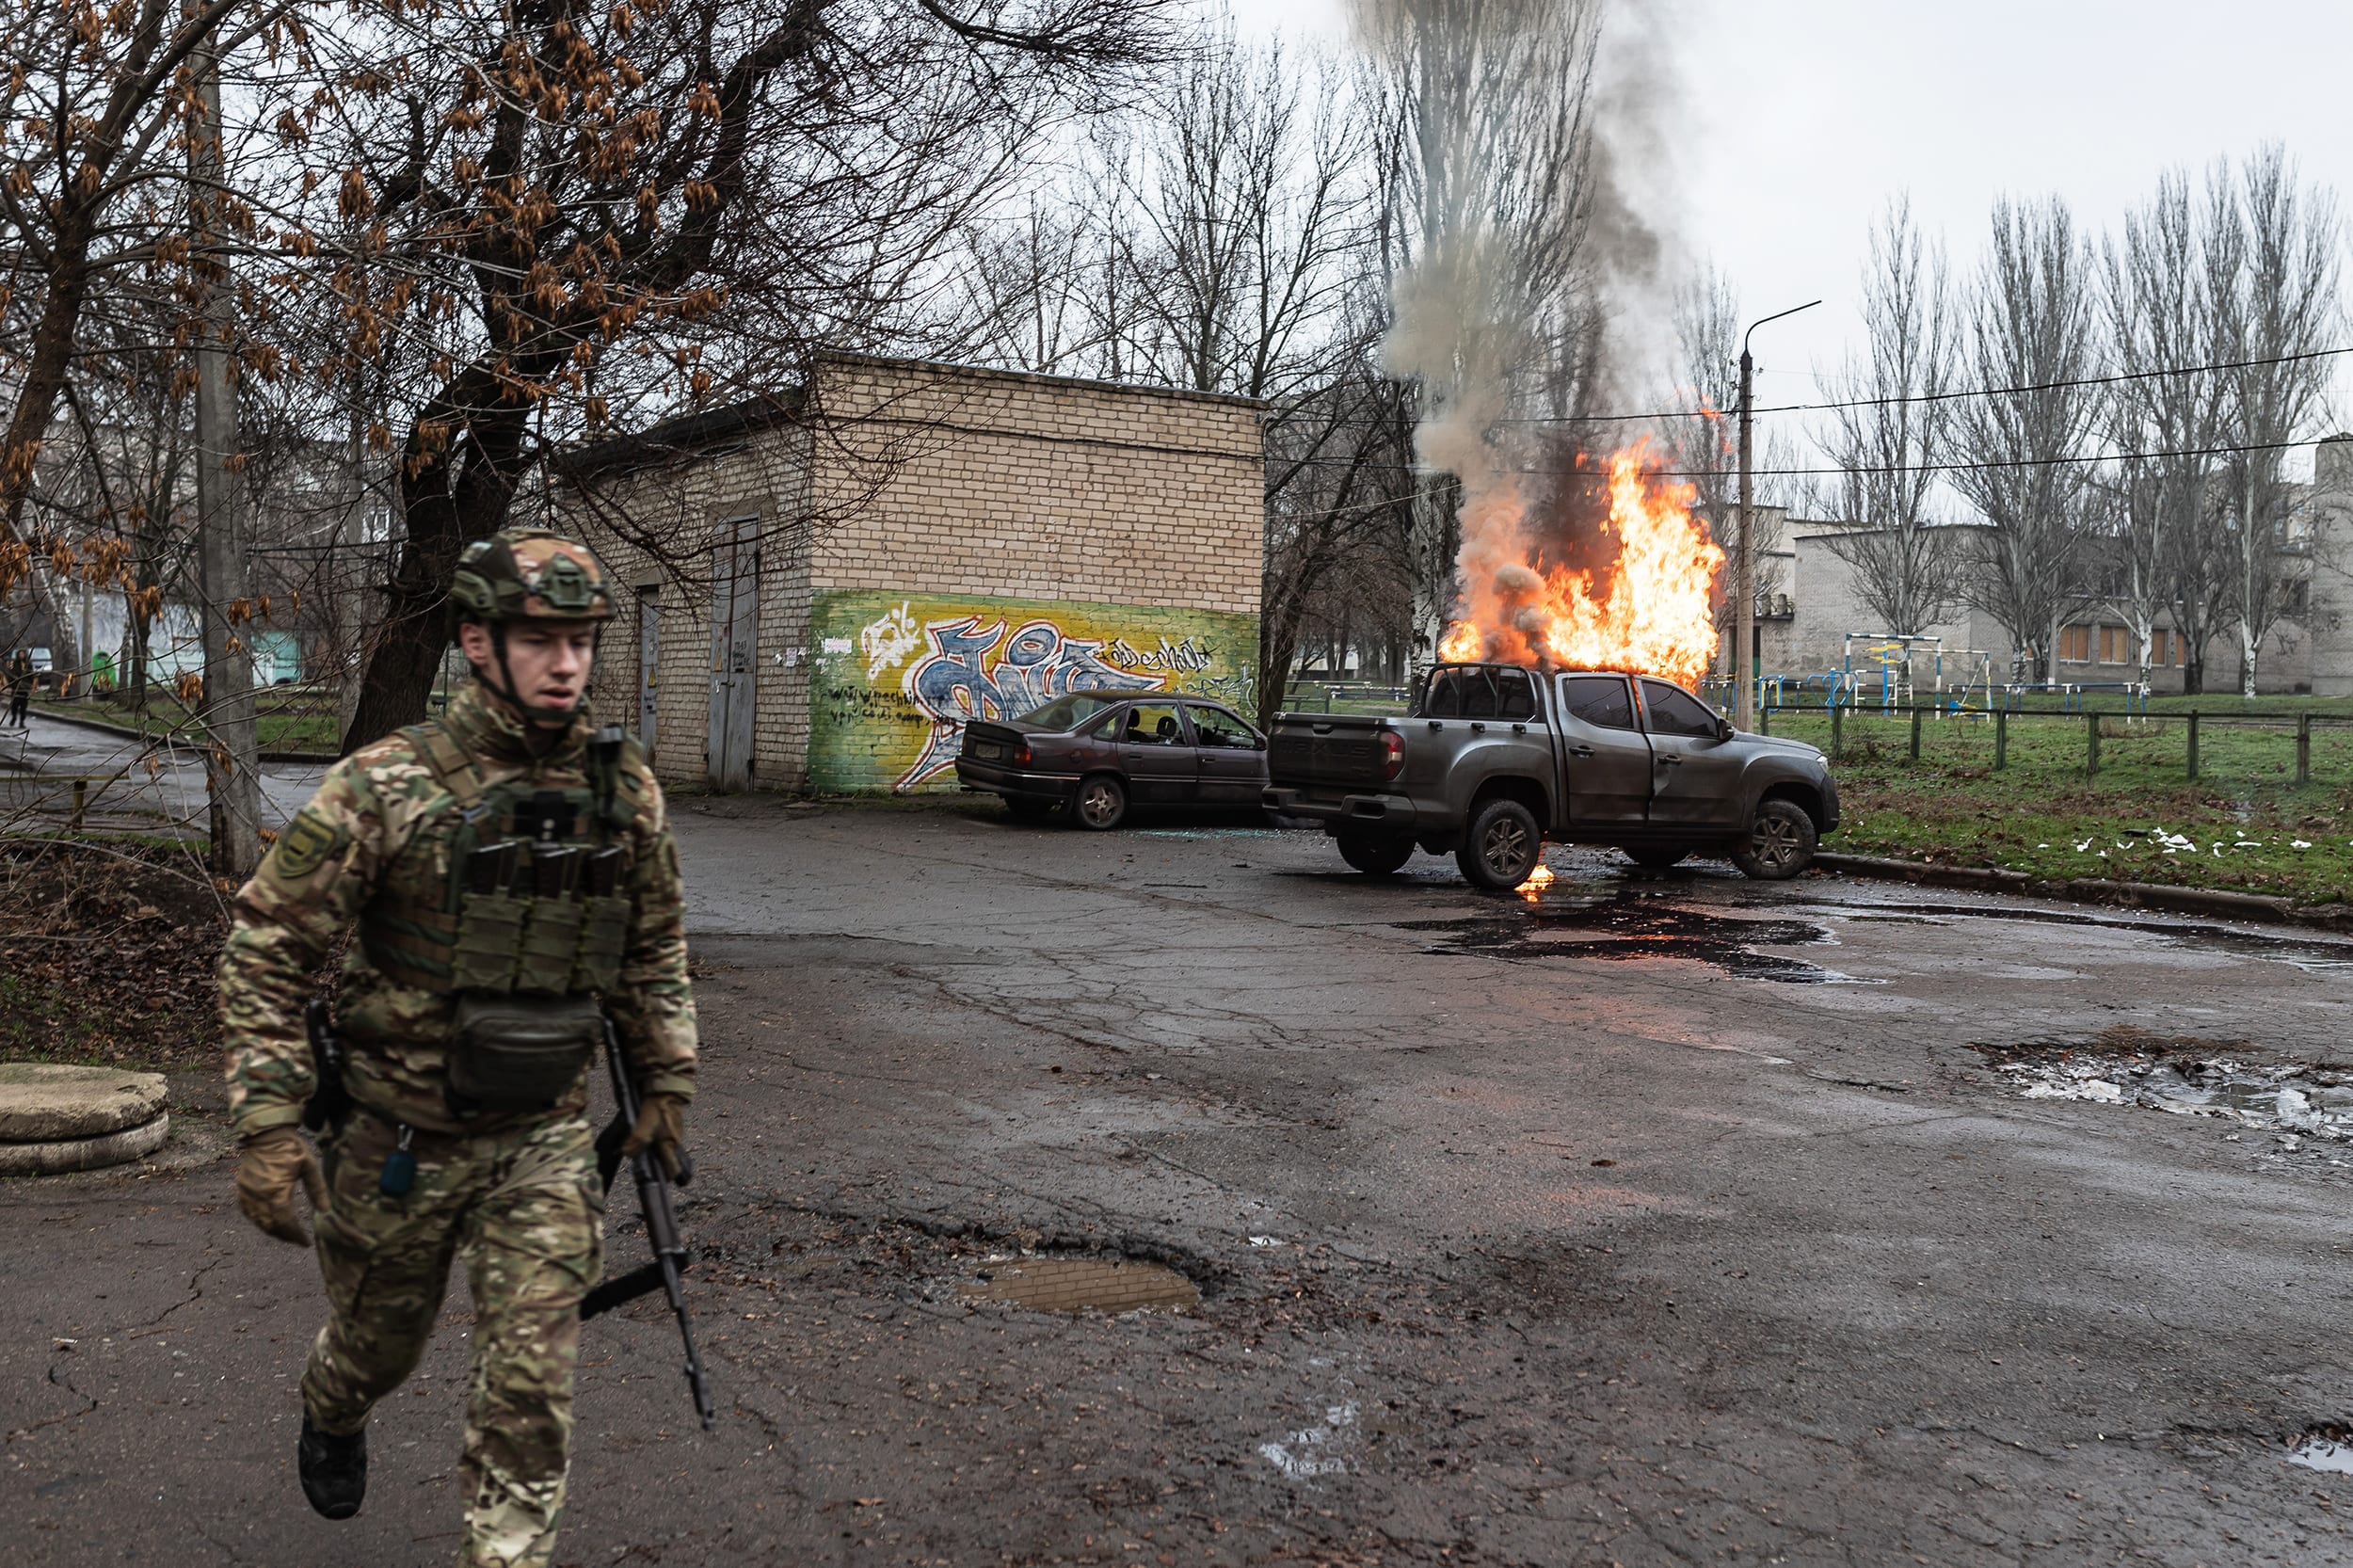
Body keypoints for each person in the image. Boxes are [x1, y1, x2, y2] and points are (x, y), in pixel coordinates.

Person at [215, 528, 699, 1568]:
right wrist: (263, 1118)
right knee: (377, 1347)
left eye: (582, 639)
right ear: (478, 640)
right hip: (397, 1138)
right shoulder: (386, 786)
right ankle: (334, 1404)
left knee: (530, 1379)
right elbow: (269, 949)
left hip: (543, 1139)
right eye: (541, 638)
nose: (568, 662)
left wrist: (666, 1075)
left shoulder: (623, 794)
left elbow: (651, 947)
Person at [7, 647, 31, 727]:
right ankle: (14, 717)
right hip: (16, 687)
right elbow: (10, 674)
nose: (21, 655)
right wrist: (10, 685)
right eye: (20, 654)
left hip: (24, 688)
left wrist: (31, 685)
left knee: (23, 706)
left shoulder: (28, 664)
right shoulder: (14, 663)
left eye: (23, 654)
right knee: (14, 705)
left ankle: (22, 721)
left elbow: (31, 675)